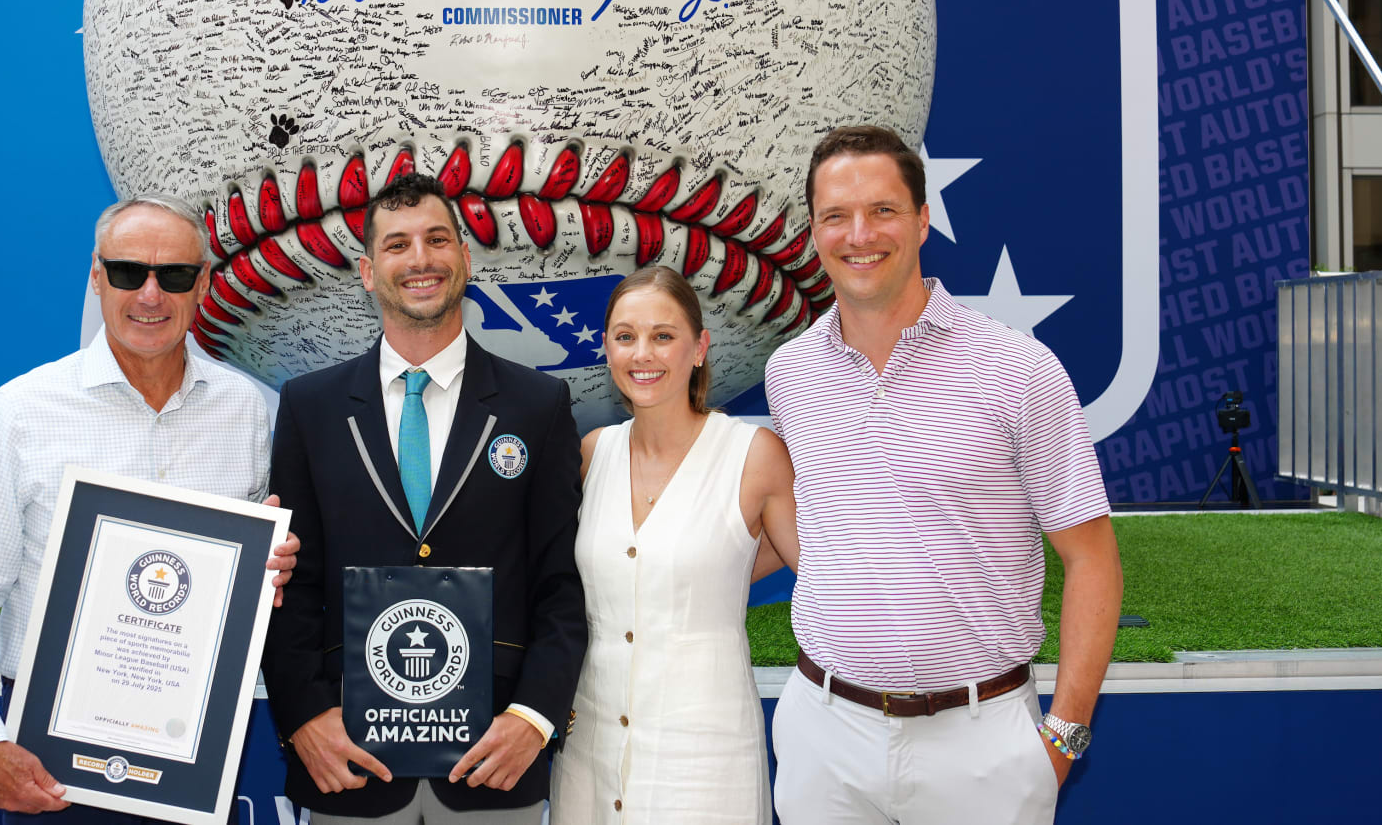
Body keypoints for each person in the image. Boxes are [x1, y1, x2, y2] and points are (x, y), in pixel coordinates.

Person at [766, 125, 1122, 825]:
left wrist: (1063, 736)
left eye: (883, 210)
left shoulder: (1018, 368)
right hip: (823, 740)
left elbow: (1093, 560)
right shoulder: (791, 373)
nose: (859, 234)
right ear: (813, 233)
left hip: (982, 744)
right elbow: (796, 529)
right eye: (836, 216)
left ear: (923, 220)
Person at [0, 198, 299, 820]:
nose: (150, 294)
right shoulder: (23, 410)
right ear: (96, 275)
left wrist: (270, 565)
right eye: (128, 272)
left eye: (174, 275)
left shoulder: (244, 410)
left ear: (202, 284)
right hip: (52, 759)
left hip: (196, 750)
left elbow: (246, 573)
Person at [263, 171, 586, 824]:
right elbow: (289, 582)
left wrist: (534, 717)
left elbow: (562, 584)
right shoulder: (311, 407)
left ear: (465, 259)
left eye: (438, 240)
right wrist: (303, 716)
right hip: (350, 765)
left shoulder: (537, 405)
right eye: (398, 244)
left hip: (492, 763)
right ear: (367, 270)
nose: (420, 260)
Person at [550, 266, 797, 824]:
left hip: (705, 760)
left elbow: (816, 563)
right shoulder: (594, 453)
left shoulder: (752, 453)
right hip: (589, 752)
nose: (644, 354)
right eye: (625, 336)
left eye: (663, 335)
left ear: (700, 347)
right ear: (607, 349)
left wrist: (720, 576)